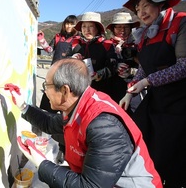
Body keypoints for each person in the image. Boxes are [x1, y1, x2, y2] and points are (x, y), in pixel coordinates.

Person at [8, 58, 162, 187]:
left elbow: (89, 186)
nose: (45, 91)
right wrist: (23, 106)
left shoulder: (104, 126)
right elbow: (50, 124)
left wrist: (41, 163)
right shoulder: (79, 104)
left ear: (65, 91)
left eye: (46, 86)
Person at [119, 0, 186, 186]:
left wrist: (147, 82)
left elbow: (184, 66)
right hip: (157, 102)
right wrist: (129, 92)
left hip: (180, 104)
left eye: (146, 5)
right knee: (150, 150)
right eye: (138, 9)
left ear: (161, 4)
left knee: (176, 156)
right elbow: (143, 68)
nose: (141, 12)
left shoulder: (180, 22)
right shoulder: (145, 34)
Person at [38, 15, 80, 164]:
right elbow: (49, 50)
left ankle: (63, 149)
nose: (69, 27)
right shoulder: (57, 37)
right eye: (67, 24)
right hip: (52, 77)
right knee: (46, 109)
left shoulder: (77, 40)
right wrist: (42, 40)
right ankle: (44, 142)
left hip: (66, 80)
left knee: (65, 114)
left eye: (72, 25)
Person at [72, 12, 125, 104]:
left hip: (101, 91)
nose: (87, 30)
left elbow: (112, 66)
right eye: (84, 26)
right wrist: (72, 58)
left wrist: (98, 75)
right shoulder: (76, 44)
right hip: (80, 90)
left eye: (91, 26)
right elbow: (65, 60)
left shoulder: (106, 44)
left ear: (97, 28)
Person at [106, 12, 142, 113]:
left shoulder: (138, 45)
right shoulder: (107, 45)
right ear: (113, 29)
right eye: (118, 27)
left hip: (134, 91)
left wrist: (131, 71)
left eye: (126, 27)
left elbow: (146, 67)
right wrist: (114, 67)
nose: (122, 30)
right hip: (112, 90)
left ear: (131, 29)